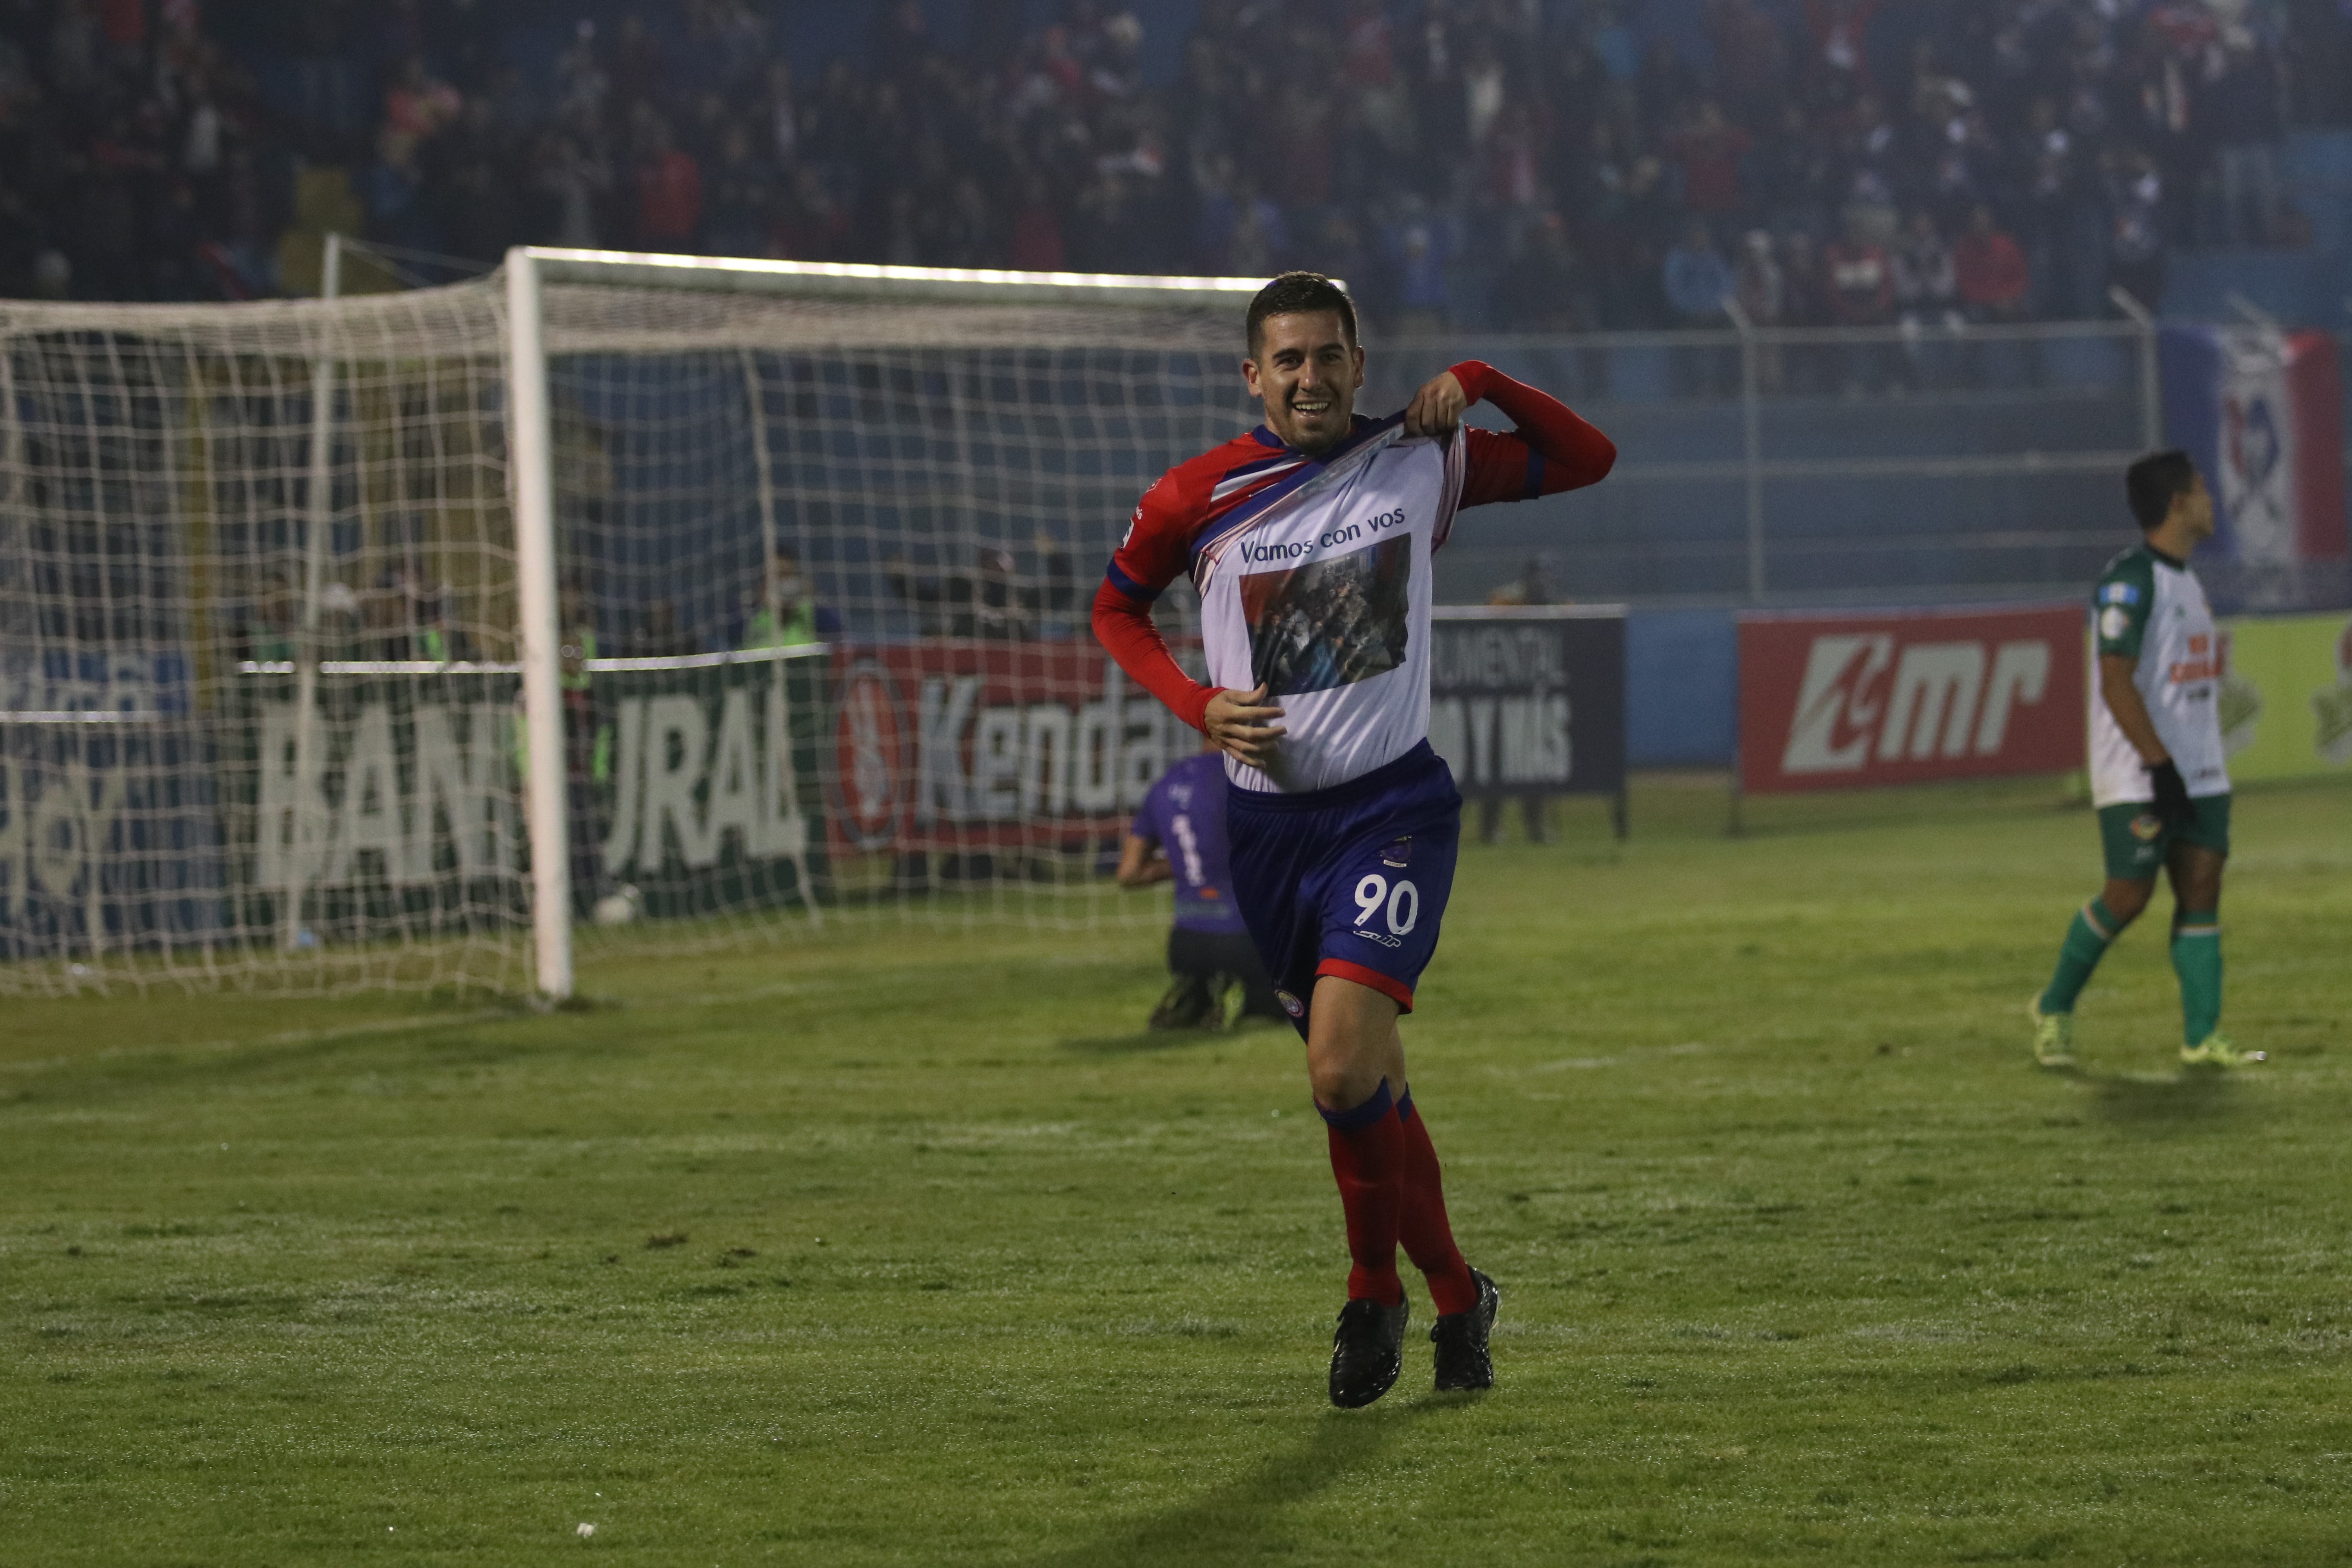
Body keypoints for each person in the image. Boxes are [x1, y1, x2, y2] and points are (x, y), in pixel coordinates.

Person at [1092, 272, 1616, 1407]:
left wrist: (1478, 382)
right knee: (1361, 1085)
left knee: (1338, 1063)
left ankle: (1368, 1287)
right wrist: (1193, 704)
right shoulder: (1195, 496)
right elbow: (1113, 609)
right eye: (1286, 359)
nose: (1309, 377)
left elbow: (1589, 459)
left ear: (1357, 364)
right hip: (1269, 830)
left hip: (1390, 812)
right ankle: (1453, 1297)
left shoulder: (1421, 458)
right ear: (1252, 375)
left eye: (1328, 355)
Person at [2029, 451, 2260, 1071]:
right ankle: (2053, 1008)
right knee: (2128, 894)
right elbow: (2115, 683)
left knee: (2202, 888)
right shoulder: (2130, 580)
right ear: (2179, 502)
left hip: (2200, 769)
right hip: (2138, 770)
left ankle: (2202, 1036)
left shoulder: (2188, 579)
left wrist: (2194, 765)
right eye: (2203, 487)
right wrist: (2159, 766)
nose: (2213, 498)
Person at [1117, 742, 1284, 1031]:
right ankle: (1241, 1000)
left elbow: (1129, 873)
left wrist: (1187, 865)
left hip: (1184, 943)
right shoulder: (1249, 777)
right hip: (1244, 940)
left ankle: (1197, 991)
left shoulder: (1166, 783)